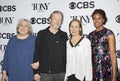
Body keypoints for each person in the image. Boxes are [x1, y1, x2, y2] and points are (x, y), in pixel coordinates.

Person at [31, 10, 68, 81]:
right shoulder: (41, 34)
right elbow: (37, 52)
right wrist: (35, 72)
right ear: (50, 20)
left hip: (61, 73)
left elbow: (67, 54)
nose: (57, 22)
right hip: (45, 74)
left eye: (60, 20)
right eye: (55, 19)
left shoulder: (64, 35)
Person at [88, 9, 117, 81]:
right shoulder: (90, 35)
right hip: (94, 70)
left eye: (99, 18)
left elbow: (113, 56)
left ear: (103, 20)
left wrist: (114, 77)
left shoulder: (108, 33)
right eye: (94, 18)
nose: (96, 21)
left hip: (106, 70)